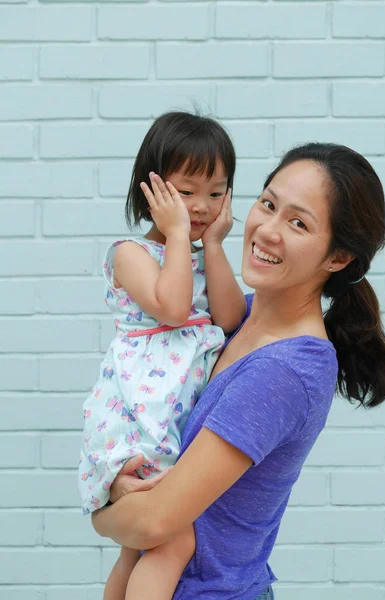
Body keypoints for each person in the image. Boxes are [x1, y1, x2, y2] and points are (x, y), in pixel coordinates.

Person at [92, 142, 385, 600]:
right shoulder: (234, 320)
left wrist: (103, 509)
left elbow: (155, 521)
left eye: (298, 223)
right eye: (268, 204)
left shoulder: (284, 372)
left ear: (337, 258)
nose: (268, 230)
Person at [78, 111, 247, 600]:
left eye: (217, 193)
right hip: (140, 413)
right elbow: (173, 309)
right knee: (173, 537)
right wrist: (176, 235)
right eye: (186, 191)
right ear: (150, 190)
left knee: (137, 552)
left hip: (174, 413)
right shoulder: (129, 252)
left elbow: (231, 318)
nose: (201, 206)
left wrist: (212, 245)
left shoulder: (197, 255)